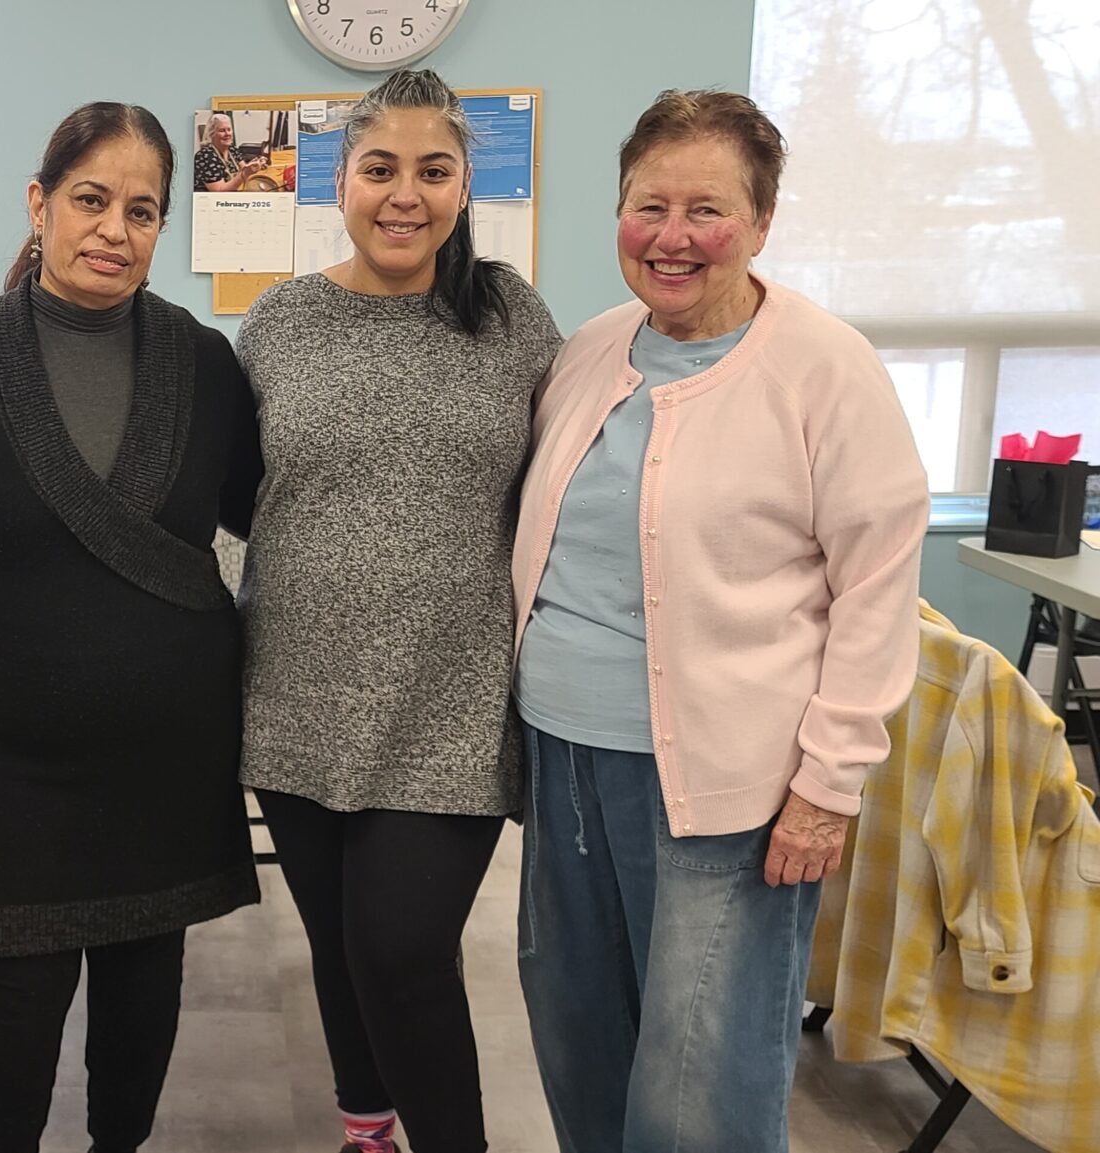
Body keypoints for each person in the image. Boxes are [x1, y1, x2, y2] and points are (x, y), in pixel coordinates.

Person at [510, 90, 930, 1153]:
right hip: (563, 758)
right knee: (579, 1038)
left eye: (707, 209)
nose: (673, 236)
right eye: (648, 206)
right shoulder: (591, 350)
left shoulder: (823, 367)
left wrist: (828, 786)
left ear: (761, 221)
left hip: (730, 784)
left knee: (701, 1080)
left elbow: (878, 587)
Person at [0, 101, 262, 1153]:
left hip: (168, 747)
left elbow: (271, 509)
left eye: (142, 211)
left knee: (144, 982)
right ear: (39, 203)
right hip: (6, 756)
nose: (113, 230)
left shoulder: (203, 361)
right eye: (91, 199)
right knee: (15, 996)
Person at [234, 69, 562, 1153]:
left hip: (449, 702)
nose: (404, 194)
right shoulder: (278, 322)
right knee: (340, 945)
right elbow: (239, 492)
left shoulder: (509, 316)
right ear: (340, 181)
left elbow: (564, 485)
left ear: (465, 186)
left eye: (433, 170)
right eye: (380, 168)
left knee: (400, 949)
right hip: (295, 695)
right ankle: (366, 1131)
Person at [194, 112, 270, 191]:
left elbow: (243, 168)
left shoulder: (232, 149)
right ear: (212, 133)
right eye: (222, 130)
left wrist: (255, 164)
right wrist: (245, 173)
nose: (227, 134)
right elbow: (219, 191)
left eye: (229, 130)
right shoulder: (205, 156)